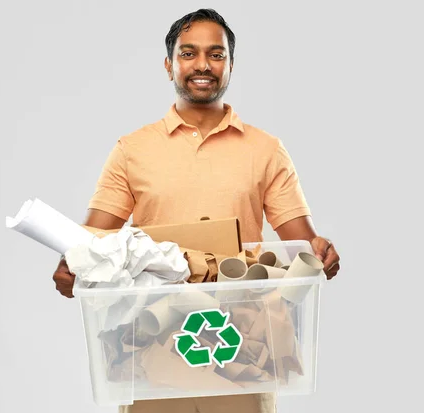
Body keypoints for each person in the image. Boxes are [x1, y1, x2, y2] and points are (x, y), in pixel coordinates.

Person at [52, 8, 340, 413]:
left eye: (216, 54)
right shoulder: (132, 150)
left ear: (231, 65)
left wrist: (320, 252)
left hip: (240, 344)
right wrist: (75, 264)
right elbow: (93, 240)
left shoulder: (265, 150)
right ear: (169, 65)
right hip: (152, 345)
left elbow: (302, 242)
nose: (202, 64)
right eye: (188, 53)